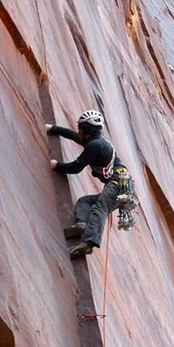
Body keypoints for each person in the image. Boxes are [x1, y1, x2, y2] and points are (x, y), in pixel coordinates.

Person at [46, 110, 135, 258]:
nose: (78, 129)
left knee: (100, 208)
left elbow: (76, 167)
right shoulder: (94, 140)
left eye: (80, 127)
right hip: (123, 185)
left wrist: (57, 166)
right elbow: (73, 136)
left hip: (118, 183)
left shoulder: (96, 145)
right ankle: (82, 225)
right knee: (85, 202)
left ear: (86, 130)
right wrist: (53, 129)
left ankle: (88, 243)